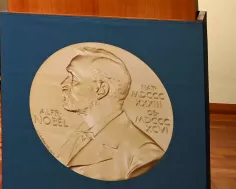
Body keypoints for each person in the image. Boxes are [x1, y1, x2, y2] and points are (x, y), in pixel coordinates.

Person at [57, 47, 164, 181]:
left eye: (74, 79)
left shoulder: (143, 155)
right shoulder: (76, 137)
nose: (63, 84)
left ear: (101, 89)